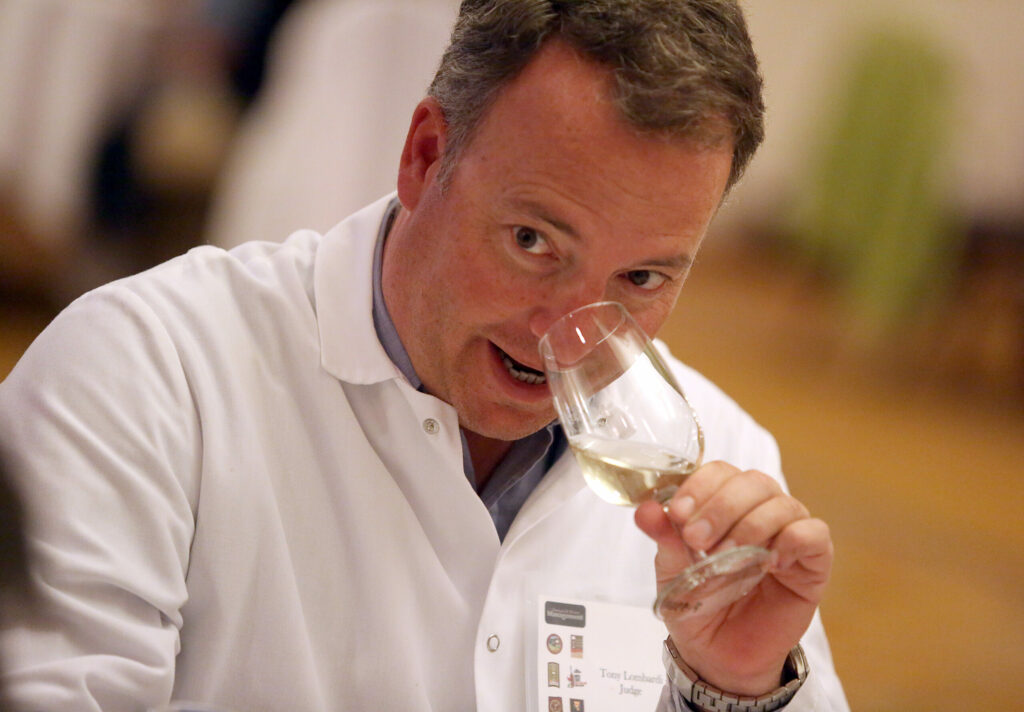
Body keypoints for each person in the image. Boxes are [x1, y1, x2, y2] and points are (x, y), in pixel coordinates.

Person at [0, 1, 849, 710]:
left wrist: (729, 688)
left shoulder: (724, 476)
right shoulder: (148, 377)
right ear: (424, 156)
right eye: (532, 240)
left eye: (642, 276)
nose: (568, 328)